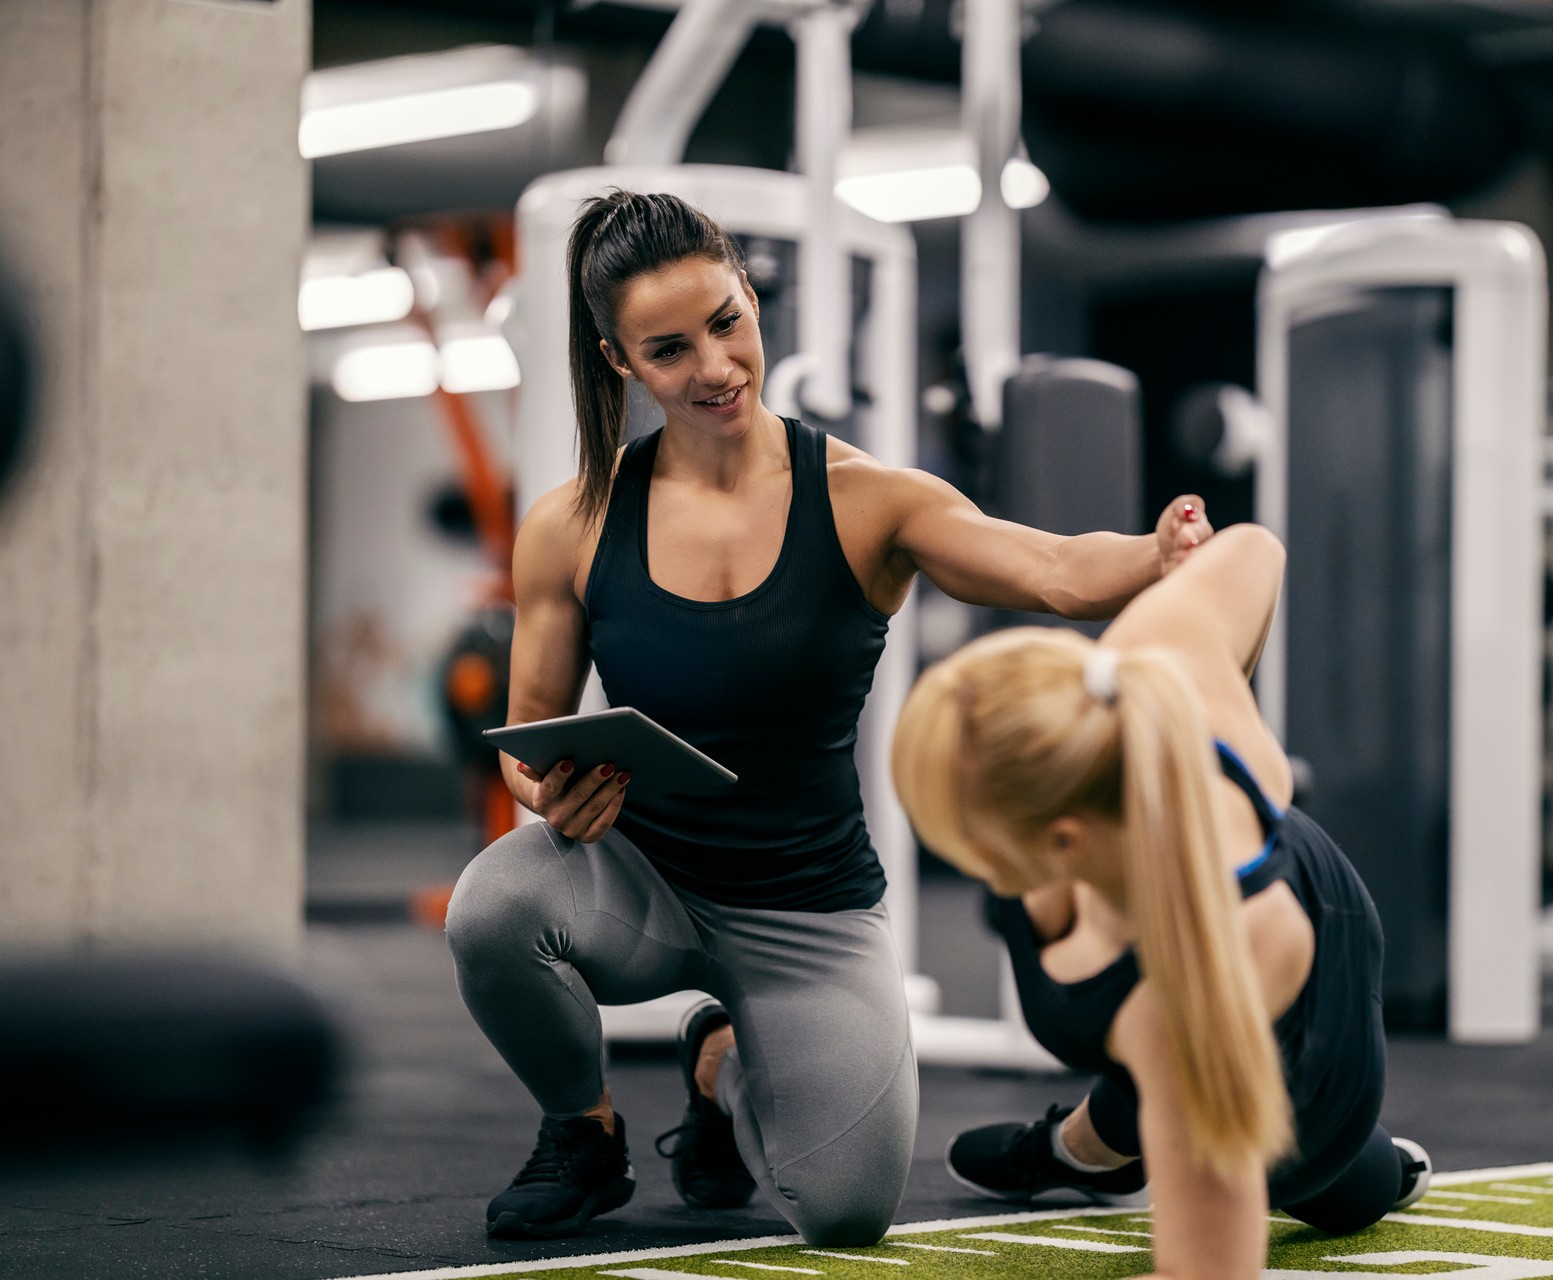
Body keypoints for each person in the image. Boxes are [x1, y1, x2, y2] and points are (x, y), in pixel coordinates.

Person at [441, 189, 1216, 1244]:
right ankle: (582, 1125)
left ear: (752, 297)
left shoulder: (866, 499)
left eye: (726, 322)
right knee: (492, 905)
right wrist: (553, 790)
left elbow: (1048, 566)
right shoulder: (573, 522)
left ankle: (718, 1069)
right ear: (621, 363)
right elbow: (529, 733)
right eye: (669, 349)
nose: (713, 366)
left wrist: (1153, 555)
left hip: (806, 907)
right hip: (640, 882)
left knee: (845, 1212)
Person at [890, 521, 1431, 1280]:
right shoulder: (1122, 688)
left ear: (1066, 844)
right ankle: (1089, 1151)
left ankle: (1357, 1171)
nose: (969, 865)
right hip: (1162, 945)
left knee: (1306, 1171)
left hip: (1304, 1050)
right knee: (1125, 1048)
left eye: (973, 848)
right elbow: (1253, 549)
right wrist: (1176, 567)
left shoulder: (1189, 999)